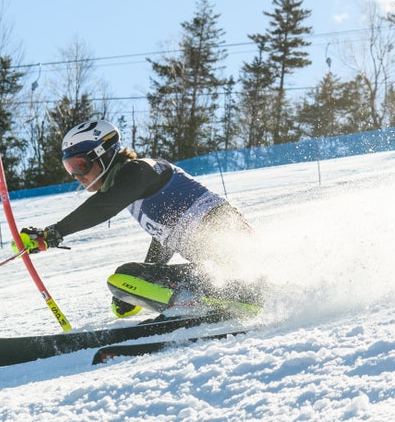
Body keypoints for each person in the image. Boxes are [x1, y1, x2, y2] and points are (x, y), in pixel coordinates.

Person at [16, 119, 263, 320]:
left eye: (80, 165)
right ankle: (220, 298)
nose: (76, 175)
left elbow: (106, 205)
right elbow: (166, 239)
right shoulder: (134, 192)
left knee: (124, 275)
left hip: (231, 249)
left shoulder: (139, 170)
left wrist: (54, 232)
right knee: (127, 280)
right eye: (69, 168)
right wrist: (140, 289)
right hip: (215, 268)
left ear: (103, 155)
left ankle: (233, 297)